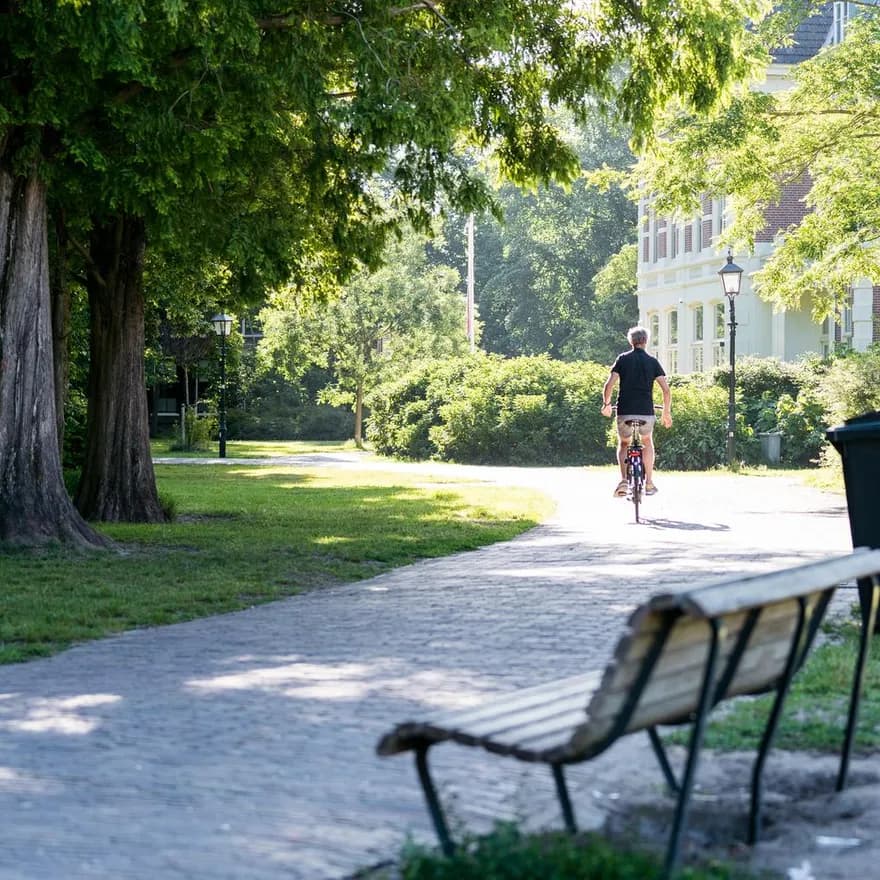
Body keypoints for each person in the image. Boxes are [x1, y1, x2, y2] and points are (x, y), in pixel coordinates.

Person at [600, 326, 672, 497]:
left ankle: (624, 480)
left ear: (630, 341)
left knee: (624, 443)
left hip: (625, 411)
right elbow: (666, 390)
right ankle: (649, 483)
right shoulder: (652, 362)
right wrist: (666, 412)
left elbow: (609, 385)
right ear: (646, 341)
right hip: (646, 412)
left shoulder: (622, 359)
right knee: (647, 441)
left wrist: (606, 404)